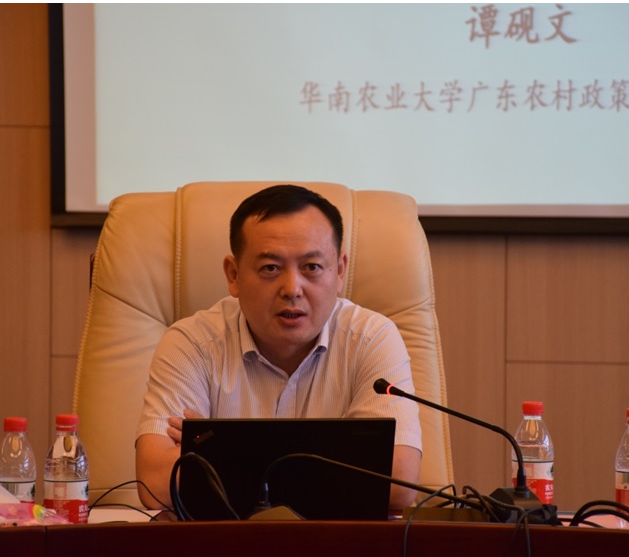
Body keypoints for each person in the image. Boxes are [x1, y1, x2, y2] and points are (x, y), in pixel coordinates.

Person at [135, 184, 422, 513]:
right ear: (234, 275)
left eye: (312, 267)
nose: (292, 289)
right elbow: (156, 483)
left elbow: (397, 482)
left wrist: (222, 453)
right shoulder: (192, 344)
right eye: (270, 268)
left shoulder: (372, 339)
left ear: (340, 271)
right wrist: (338, 462)